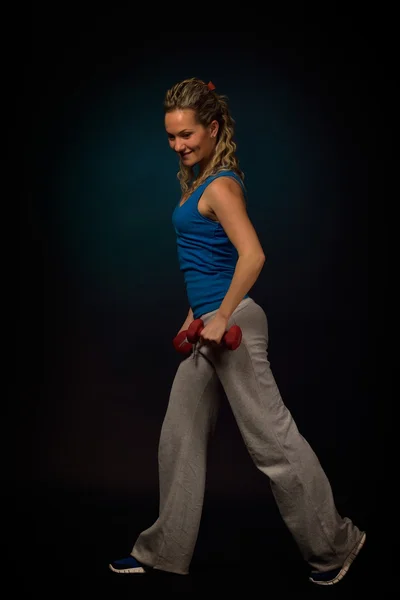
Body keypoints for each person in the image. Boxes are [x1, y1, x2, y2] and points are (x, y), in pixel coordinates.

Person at [109, 77, 365, 585]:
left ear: (213, 127)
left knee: (272, 441)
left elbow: (253, 255)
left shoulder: (221, 184)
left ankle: (337, 545)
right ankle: (162, 552)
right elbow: (212, 261)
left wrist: (222, 314)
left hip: (236, 324)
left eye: (187, 134)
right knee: (178, 437)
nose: (179, 145)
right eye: (171, 136)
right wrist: (195, 311)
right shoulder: (198, 183)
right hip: (208, 324)